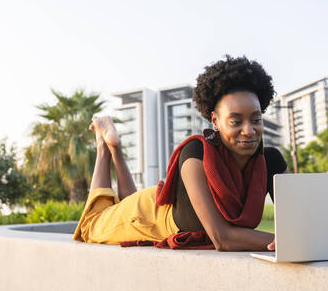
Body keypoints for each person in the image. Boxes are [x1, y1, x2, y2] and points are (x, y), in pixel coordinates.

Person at [73, 55, 287, 251]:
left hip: (150, 208)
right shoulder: (196, 153)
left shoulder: (271, 161)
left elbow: (300, 224)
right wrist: (284, 242)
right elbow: (222, 238)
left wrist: (297, 238)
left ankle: (116, 148)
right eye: (235, 121)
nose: (249, 130)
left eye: (256, 120)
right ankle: (105, 147)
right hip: (143, 216)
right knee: (92, 225)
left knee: (125, 200)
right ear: (215, 121)